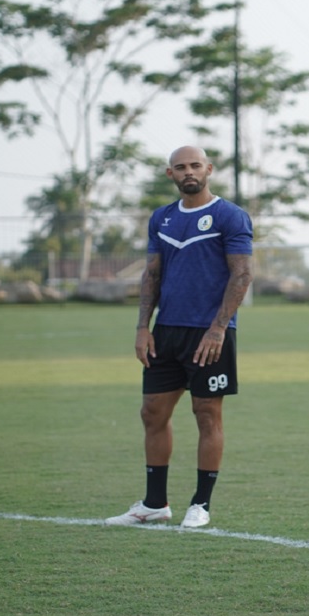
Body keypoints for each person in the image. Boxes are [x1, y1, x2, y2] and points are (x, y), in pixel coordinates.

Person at [106, 146, 253, 529]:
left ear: (208, 169)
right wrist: (143, 327)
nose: (189, 172)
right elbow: (151, 275)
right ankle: (155, 504)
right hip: (165, 333)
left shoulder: (229, 216)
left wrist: (219, 327)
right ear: (170, 174)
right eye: (180, 167)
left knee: (207, 414)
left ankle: (200, 505)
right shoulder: (162, 218)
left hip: (210, 334)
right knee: (152, 413)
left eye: (195, 165)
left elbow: (242, 275)